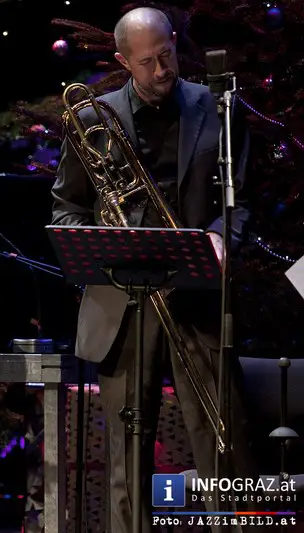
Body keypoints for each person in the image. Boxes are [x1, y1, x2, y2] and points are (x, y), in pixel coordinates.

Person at [52, 7, 258, 533]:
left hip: (195, 294)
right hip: (122, 302)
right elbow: (66, 208)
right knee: (126, 449)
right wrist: (100, 239)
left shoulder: (216, 108)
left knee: (221, 443)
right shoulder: (95, 119)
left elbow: (242, 200)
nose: (163, 68)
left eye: (167, 54)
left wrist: (219, 235)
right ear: (124, 61)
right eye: (148, 62)